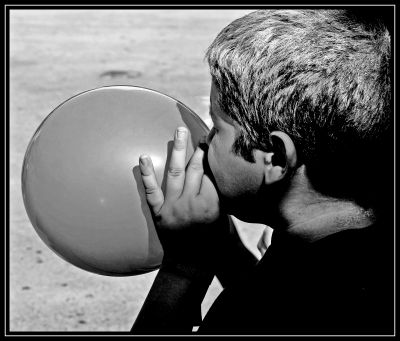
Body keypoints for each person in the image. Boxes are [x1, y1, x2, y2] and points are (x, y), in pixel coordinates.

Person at [131, 9, 393, 335]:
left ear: (276, 158)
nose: (204, 141)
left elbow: (266, 303)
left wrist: (185, 267)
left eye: (217, 128)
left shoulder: (254, 313)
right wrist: (225, 248)